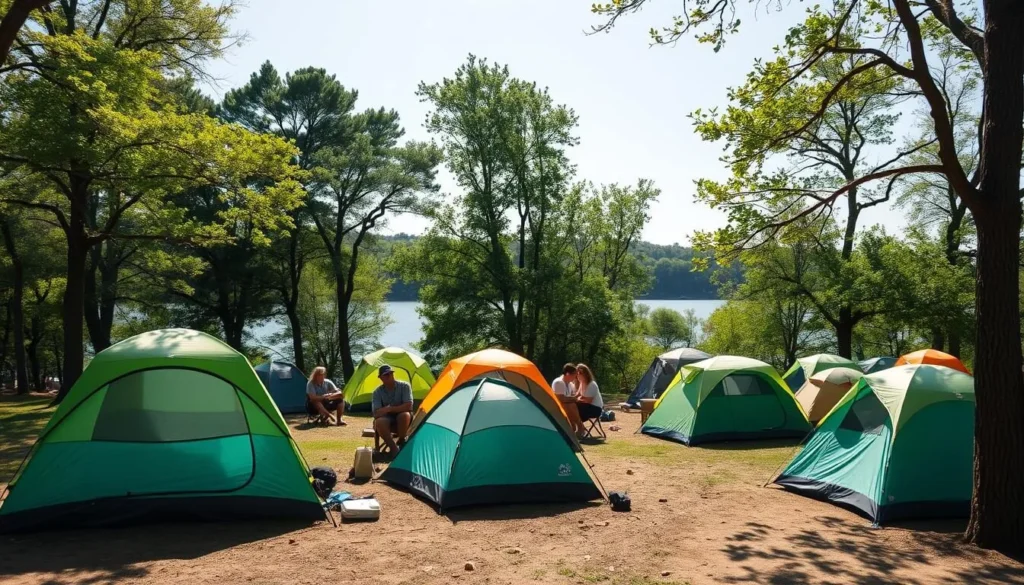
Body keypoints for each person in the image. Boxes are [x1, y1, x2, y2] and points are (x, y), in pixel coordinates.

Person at [372, 365, 413, 454]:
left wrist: (389, 409)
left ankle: (402, 440)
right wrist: (397, 408)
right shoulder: (377, 392)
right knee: (379, 422)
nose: (389, 376)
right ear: (380, 378)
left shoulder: (405, 386)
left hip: (403, 416)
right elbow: (376, 413)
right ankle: (394, 448)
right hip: (387, 418)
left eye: (390, 373)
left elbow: (408, 406)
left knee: (404, 415)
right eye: (386, 374)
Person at [551, 363, 585, 438]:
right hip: (557, 407)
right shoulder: (559, 382)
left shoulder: (570, 385)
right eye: (574, 375)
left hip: (567, 407)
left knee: (573, 404)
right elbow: (560, 399)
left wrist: (575, 398)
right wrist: (574, 399)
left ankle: (576, 426)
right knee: (570, 405)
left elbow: (572, 396)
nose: (575, 377)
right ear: (567, 374)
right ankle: (579, 425)